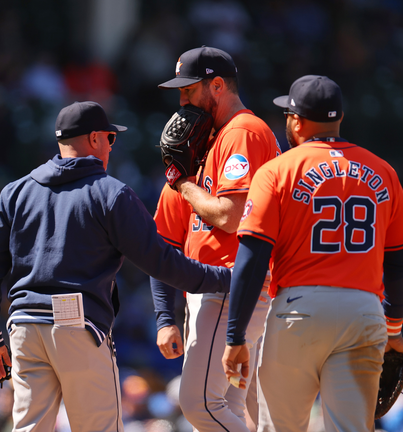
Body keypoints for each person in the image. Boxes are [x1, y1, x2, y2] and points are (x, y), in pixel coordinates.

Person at [0, 101, 233, 432]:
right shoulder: (110, 193)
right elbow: (161, 261)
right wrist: (227, 278)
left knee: (29, 428)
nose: (111, 145)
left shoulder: (16, 191)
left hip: (23, 326)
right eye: (110, 138)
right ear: (95, 138)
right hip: (74, 321)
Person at [222, 75, 403, 432]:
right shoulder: (383, 170)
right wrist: (393, 328)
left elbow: (251, 259)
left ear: (296, 121)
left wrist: (235, 336)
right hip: (363, 312)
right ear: (339, 119)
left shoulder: (277, 170)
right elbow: (401, 261)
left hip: (299, 310)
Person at [150, 46, 281, 431]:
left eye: (189, 90)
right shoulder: (208, 142)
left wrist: (185, 184)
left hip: (229, 283)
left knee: (199, 404)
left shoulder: (242, 131)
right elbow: (165, 243)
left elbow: (231, 215)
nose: (181, 101)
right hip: (213, 289)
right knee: (227, 409)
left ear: (218, 85)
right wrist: (164, 316)